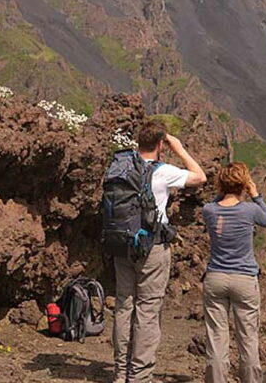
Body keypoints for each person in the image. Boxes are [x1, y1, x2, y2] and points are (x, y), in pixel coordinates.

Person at [113, 119, 207, 383]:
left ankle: (120, 373)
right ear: (160, 144)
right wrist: (178, 148)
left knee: (123, 306)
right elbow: (200, 177)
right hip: (151, 248)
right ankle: (140, 376)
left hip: (121, 245)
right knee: (147, 309)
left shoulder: (119, 167)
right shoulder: (163, 171)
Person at [202, 162, 266, 383]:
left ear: (221, 185)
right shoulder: (250, 210)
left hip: (215, 277)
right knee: (248, 339)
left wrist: (220, 192)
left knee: (216, 337)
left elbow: (214, 203)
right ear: (243, 184)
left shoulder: (209, 210)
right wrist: (255, 194)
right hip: (244, 279)